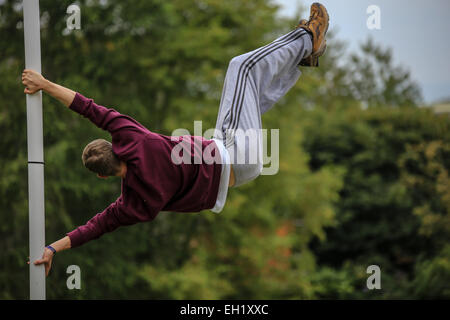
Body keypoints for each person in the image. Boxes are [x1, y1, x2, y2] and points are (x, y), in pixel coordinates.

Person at [24, 3, 329, 276]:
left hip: (233, 163)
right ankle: (307, 38)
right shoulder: (131, 139)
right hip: (233, 154)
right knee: (242, 68)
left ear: (103, 175)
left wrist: (53, 248)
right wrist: (44, 84)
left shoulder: (131, 204)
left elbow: (95, 226)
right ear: (112, 145)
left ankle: (303, 56)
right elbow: (88, 107)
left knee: (253, 97)